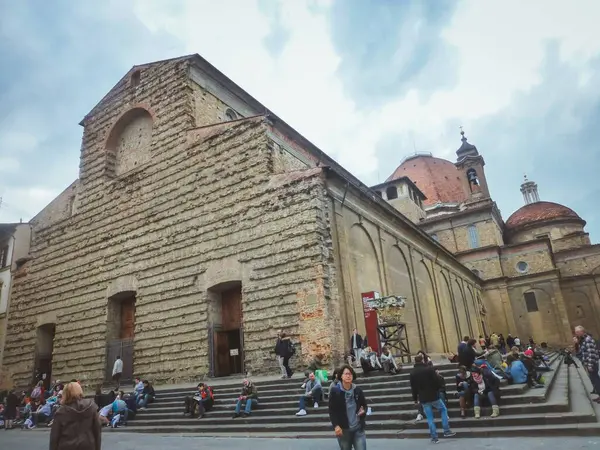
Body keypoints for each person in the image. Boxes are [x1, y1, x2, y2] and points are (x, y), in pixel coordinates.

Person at [409, 354, 456, 443]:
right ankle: (446, 430)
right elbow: (437, 381)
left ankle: (434, 437)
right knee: (443, 410)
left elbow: (413, 387)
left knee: (430, 418)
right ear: (422, 360)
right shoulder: (429, 369)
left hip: (423, 397)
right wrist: (437, 389)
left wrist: (415, 399)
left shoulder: (413, 373)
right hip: (433, 395)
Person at [49, 381, 101, 450]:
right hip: (88, 446)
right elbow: (97, 432)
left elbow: (54, 438)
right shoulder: (91, 407)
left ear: (65, 394)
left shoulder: (61, 412)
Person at [328, 364, 368, 449]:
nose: (348, 376)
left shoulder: (358, 390)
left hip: (358, 428)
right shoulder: (335, 392)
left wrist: (363, 410)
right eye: (346, 374)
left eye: (350, 374)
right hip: (344, 430)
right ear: (341, 376)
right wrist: (336, 426)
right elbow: (332, 411)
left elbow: (364, 405)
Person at [574, 325, 600, 402]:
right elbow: (581, 352)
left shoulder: (588, 339)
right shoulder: (584, 340)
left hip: (592, 364)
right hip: (589, 363)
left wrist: (590, 365)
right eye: (575, 332)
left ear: (582, 331)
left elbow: (591, 353)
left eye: (577, 332)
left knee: (596, 380)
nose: (576, 334)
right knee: (595, 380)